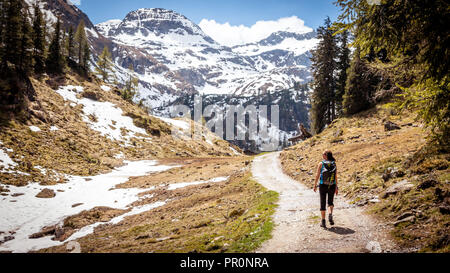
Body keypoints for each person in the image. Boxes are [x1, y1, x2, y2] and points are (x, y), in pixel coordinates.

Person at [314, 150, 338, 228]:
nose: (322, 155)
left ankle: (323, 221)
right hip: (332, 185)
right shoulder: (334, 164)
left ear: (325, 155)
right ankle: (330, 214)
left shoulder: (321, 164)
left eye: (323, 154)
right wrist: (336, 187)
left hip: (322, 185)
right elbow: (335, 177)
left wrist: (315, 185)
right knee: (330, 202)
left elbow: (317, 175)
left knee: (323, 202)